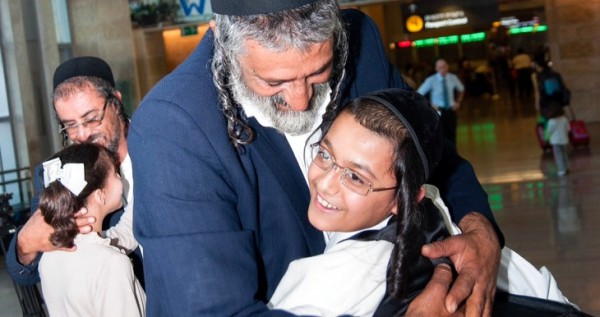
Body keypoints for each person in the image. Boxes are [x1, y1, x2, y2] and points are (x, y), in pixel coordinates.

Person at [129, 0, 503, 315]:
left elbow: (431, 159)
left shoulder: (360, 44)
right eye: (273, 83)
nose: (300, 101)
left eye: (319, 73)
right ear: (221, 40)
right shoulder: (174, 126)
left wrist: (480, 232)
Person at [268, 88, 578, 316]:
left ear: (404, 200)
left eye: (356, 178)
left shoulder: (336, 279)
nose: (324, 182)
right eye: (325, 154)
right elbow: (549, 297)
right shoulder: (445, 221)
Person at [5, 56, 142, 286]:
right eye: (69, 125)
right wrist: (25, 242)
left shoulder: (157, 143)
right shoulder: (59, 175)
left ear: (116, 103)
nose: (82, 134)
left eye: (91, 119)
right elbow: (27, 273)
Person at [38, 143, 146, 317]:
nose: (121, 178)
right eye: (116, 174)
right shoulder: (111, 264)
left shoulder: (50, 255)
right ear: (100, 195)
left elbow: (124, 233)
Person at [417, 58, 465, 145]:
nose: (442, 69)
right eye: (440, 67)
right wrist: (429, 105)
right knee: (440, 135)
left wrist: (458, 101)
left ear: (447, 67)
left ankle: (453, 155)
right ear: (436, 68)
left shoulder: (452, 78)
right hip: (438, 111)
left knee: (452, 135)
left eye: (444, 67)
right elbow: (419, 93)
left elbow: (461, 89)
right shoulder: (431, 80)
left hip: (450, 110)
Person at [545, 101, 571, 176]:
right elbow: (568, 129)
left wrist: (546, 138)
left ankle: (562, 170)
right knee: (565, 154)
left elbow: (549, 131)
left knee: (558, 155)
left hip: (555, 141)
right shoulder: (564, 119)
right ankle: (567, 167)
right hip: (564, 140)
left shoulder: (551, 121)